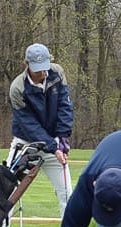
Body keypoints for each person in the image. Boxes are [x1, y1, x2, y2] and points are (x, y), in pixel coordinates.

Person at [7, 43, 74, 207]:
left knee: (67, 194)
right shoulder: (17, 88)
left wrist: (63, 136)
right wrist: (54, 147)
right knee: (7, 194)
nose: (43, 73)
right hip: (25, 143)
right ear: (27, 65)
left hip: (54, 141)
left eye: (45, 67)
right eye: (38, 70)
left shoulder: (57, 72)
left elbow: (65, 106)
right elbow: (29, 126)